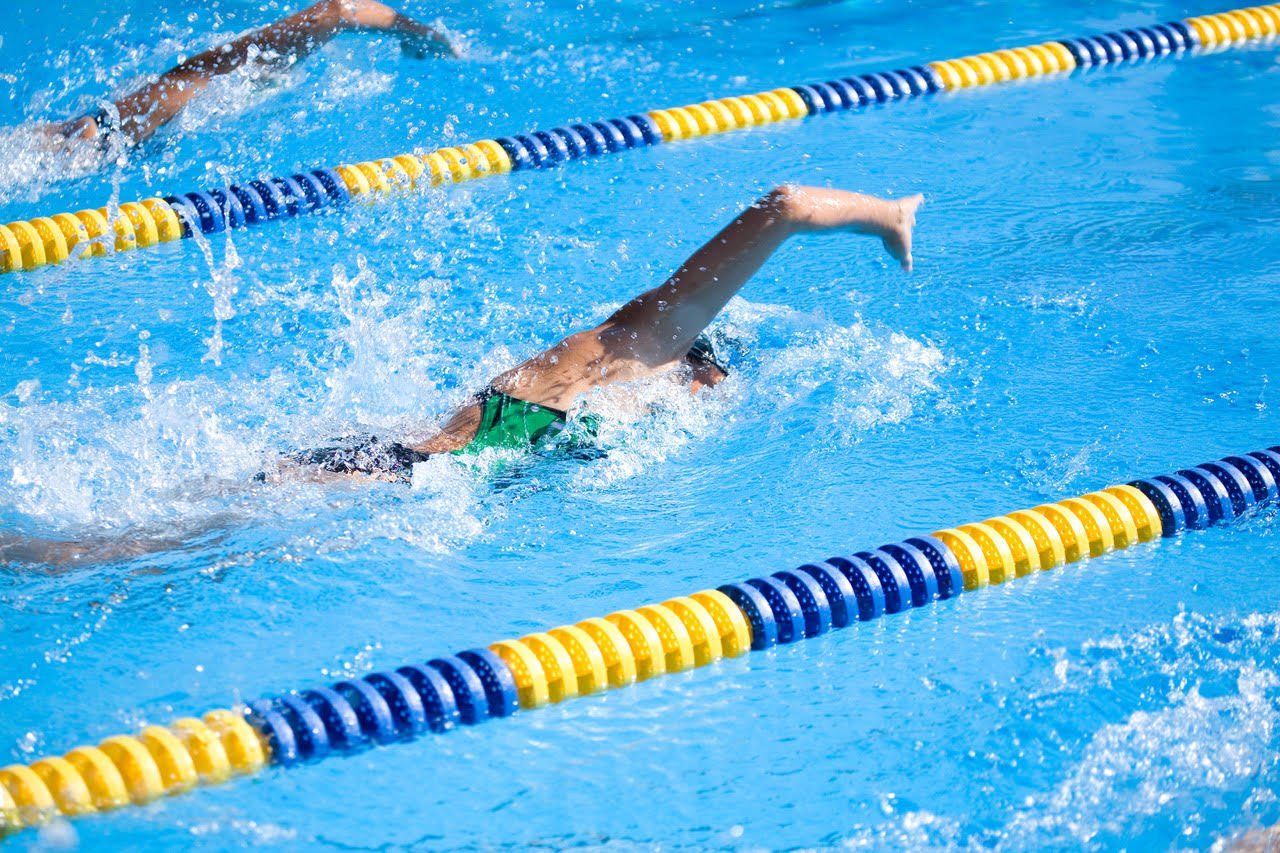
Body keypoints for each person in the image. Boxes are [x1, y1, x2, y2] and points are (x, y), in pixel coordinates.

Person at [270, 184, 923, 483]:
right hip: (418, 470)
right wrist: (888, 217)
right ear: (699, 363)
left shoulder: (623, 380)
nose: (706, 400)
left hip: (434, 461)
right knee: (223, 521)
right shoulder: (652, 334)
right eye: (712, 387)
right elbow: (786, 206)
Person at [44, 0, 457, 153]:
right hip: (98, 141)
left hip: (98, 133)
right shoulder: (251, 60)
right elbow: (340, 10)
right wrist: (426, 36)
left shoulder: (231, 67)